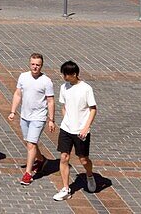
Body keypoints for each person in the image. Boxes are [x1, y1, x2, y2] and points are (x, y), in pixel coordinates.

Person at [53, 60, 98, 200]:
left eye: (67, 75)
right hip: (66, 129)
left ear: (74, 74)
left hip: (80, 131)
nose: (64, 77)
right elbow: (64, 105)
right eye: (63, 74)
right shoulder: (63, 87)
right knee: (64, 157)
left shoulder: (86, 89)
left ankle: (89, 175)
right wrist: (65, 118)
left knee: (83, 160)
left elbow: (93, 109)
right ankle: (66, 188)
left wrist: (86, 127)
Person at [8, 53, 56, 186]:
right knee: (30, 142)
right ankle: (41, 160)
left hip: (39, 117)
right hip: (25, 115)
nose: (35, 67)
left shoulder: (46, 81)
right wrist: (13, 111)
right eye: (33, 64)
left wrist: (51, 119)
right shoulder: (23, 76)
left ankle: (28, 173)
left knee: (31, 144)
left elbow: (50, 101)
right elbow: (18, 94)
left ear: (42, 66)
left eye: (38, 65)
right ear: (30, 64)